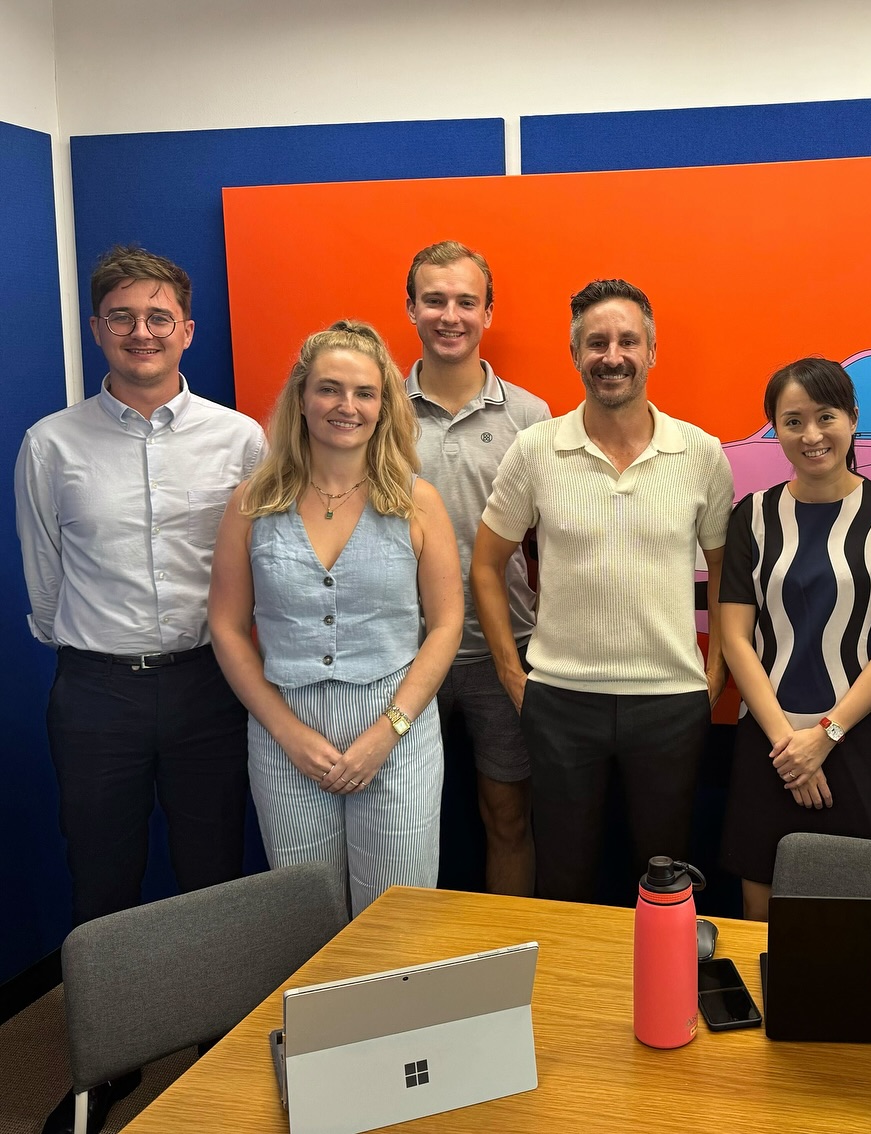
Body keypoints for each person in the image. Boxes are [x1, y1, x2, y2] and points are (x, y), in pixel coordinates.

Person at [16, 244, 266, 1134]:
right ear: (97, 329)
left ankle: (214, 1051)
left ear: (187, 329)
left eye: (159, 316)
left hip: (209, 689)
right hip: (95, 694)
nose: (141, 332)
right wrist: (99, 651)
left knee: (213, 877)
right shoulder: (51, 444)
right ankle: (106, 1066)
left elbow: (258, 565)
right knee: (101, 882)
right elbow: (44, 581)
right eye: (122, 316)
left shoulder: (241, 439)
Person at [472, 279, 733, 903]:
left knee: (666, 881)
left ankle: (663, 974)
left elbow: (726, 575)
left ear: (651, 351)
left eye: (626, 341)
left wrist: (714, 674)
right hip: (561, 701)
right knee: (564, 880)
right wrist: (513, 675)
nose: (611, 356)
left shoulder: (700, 453)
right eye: (596, 343)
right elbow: (485, 565)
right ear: (575, 354)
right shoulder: (537, 449)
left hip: (669, 702)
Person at [209, 320, 463, 916]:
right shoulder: (252, 503)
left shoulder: (417, 502)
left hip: (396, 729)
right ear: (301, 399)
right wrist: (288, 734)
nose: (346, 406)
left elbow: (446, 625)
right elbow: (226, 626)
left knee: (397, 917)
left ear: (383, 407)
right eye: (329, 389)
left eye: (364, 393)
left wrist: (388, 731)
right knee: (306, 915)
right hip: (286, 732)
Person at [719, 358, 871, 920]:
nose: (811, 435)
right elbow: (735, 638)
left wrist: (825, 736)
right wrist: (789, 746)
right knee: (761, 906)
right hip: (769, 739)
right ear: (776, 429)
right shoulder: (752, 516)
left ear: (852, 419)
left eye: (825, 416)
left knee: (863, 913)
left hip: (857, 736)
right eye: (793, 421)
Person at [404, 240, 551, 896]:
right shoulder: (376, 410)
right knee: (402, 822)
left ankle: (507, 950)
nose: (450, 315)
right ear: (411, 309)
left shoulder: (530, 416)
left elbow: (551, 545)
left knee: (509, 817)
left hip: (505, 653)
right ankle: (403, 951)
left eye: (466, 301)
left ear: (488, 313)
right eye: (434, 300)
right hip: (402, 654)